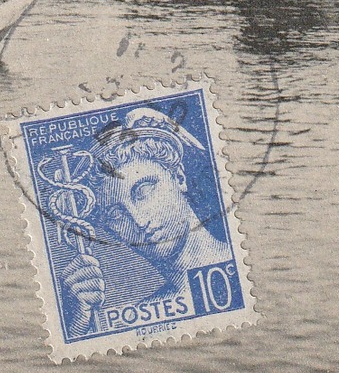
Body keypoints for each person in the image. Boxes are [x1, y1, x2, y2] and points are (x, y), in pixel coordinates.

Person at [58, 109, 233, 337]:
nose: (138, 222)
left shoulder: (238, 271)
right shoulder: (141, 314)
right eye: (116, 215)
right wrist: (79, 325)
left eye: (143, 191)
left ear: (179, 177)